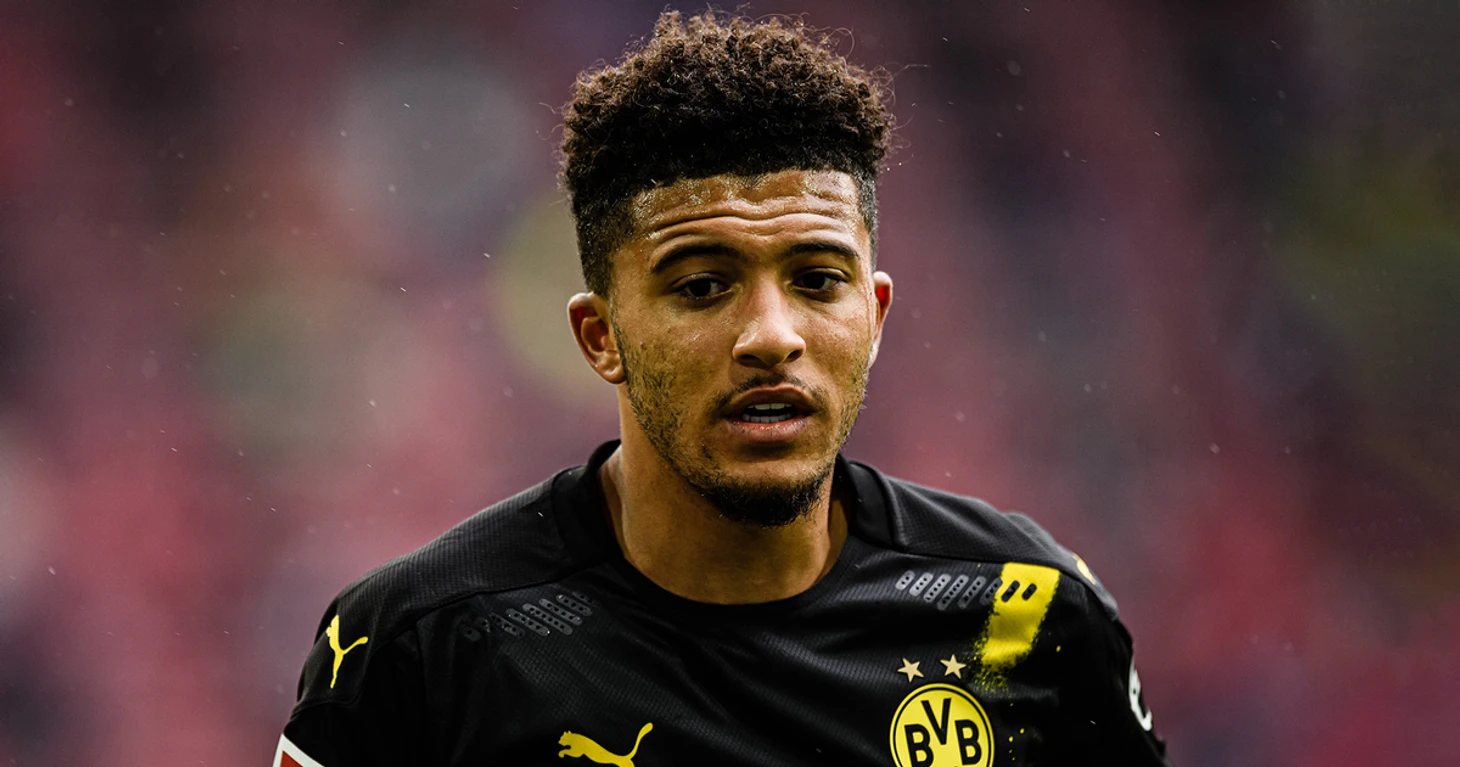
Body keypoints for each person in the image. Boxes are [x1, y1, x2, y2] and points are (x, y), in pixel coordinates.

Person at [274, 11, 1172, 766]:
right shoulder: (420, 650)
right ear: (600, 337)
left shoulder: (1027, 613)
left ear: (875, 315)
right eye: (703, 285)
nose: (772, 336)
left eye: (817, 279)